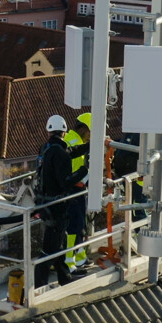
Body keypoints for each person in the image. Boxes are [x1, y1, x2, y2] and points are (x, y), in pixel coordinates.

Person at [34, 114, 78, 288]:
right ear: (65, 132)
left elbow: (69, 152)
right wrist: (83, 171)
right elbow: (65, 182)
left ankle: (64, 277)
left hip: (44, 202)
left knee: (56, 241)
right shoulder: (61, 154)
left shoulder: (45, 148)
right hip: (57, 206)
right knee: (50, 246)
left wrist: (87, 147)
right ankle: (39, 284)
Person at [62, 112, 93, 270]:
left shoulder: (73, 139)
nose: (90, 136)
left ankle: (79, 256)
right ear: (84, 129)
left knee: (80, 224)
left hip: (76, 189)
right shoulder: (74, 142)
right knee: (75, 225)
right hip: (73, 190)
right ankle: (69, 260)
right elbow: (76, 172)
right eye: (90, 132)